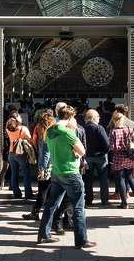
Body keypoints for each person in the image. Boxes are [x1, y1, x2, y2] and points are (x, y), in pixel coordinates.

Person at [36, 104, 96, 250]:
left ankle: (44, 234)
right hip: (71, 173)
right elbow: (82, 151)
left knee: (51, 204)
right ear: (70, 117)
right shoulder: (67, 132)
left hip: (57, 173)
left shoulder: (49, 130)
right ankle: (81, 240)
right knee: (79, 207)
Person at [108, 105, 134, 210]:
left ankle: (124, 203)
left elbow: (111, 147)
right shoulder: (129, 129)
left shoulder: (113, 131)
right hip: (129, 156)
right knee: (130, 178)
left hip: (118, 157)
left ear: (114, 120)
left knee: (120, 179)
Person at [83, 109, 110, 208]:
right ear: (95, 118)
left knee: (88, 179)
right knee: (103, 179)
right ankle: (104, 199)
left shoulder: (83, 128)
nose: (99, 118)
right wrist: (103, 152)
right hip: (100, 157)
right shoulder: (99, 128)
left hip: (88, 156)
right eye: (98, 117)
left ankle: (88, 199)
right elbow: (107, 144)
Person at [5, 115, 34, 200]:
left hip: (11, 153)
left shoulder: (8, 129)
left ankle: (16, 193)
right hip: (21, 154)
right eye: (20, 117)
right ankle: (28, 193)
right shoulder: (23, 129)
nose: (21, 118)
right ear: (17, 120)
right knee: (26, 173)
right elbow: (30, 139)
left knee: (14, 174)